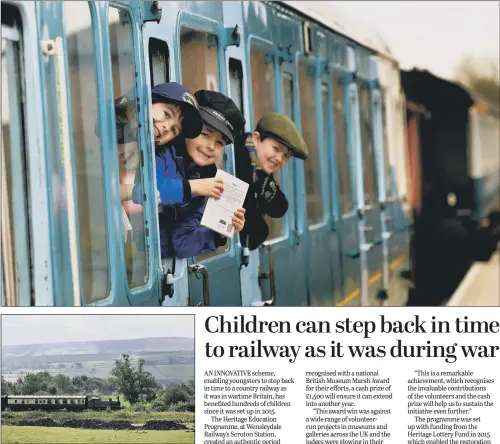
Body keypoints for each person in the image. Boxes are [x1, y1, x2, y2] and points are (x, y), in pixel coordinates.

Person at [168, 89, 247, 258]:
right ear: (187, 126)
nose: (211, 146)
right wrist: (190, 187)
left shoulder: (204, 178)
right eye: (205, 134)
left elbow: (180, 244)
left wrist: (218, 234)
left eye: (219, 142)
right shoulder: (162, 154)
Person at [234, 112, 309, 254]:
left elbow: (279, 207)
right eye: (276, 149)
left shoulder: (259, 167)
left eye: (286, 156)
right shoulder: (238, 160)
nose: (279, 158)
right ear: (256, 140)